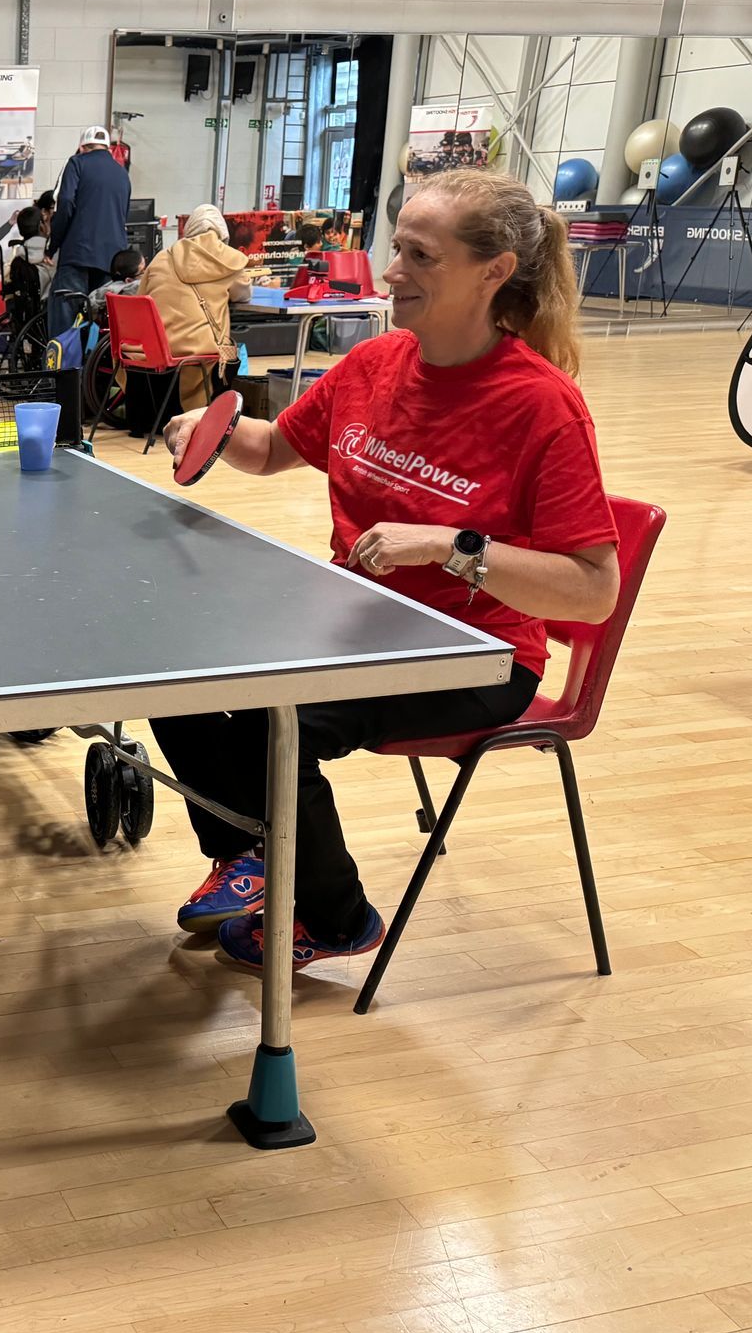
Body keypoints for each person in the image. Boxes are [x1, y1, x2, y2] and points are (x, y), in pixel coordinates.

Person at [152, 169, 620, 972]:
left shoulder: (542, 407)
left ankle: (336, 919)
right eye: (395, 247)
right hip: (357, 620)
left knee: (278, 722)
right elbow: (274, 452)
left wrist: (450, 546)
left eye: (420, 256)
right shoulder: (375, 365)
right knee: (165, 664)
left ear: (493, 272)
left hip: (475, 650)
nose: (391, 270)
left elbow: (593, 588)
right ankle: (250, 854)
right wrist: (215, 427)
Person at [130, 202, 252, 432]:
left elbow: (139, 299)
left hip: (150, 350)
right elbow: (243, 294)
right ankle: (214, 413)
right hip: (198, 352)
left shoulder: (161, 257)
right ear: (222, 232)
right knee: (230, 351)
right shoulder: (228, 260)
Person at [47, 125, 132, 340]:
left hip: (77, 253)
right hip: (110, 259)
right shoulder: (122, 174)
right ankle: (93, 370)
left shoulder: (76, 163)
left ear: (82, 147)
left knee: (66, 320)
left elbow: (65, 203)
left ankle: (63, 371)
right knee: (98, 320)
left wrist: (53, 245)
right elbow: (124, 216)